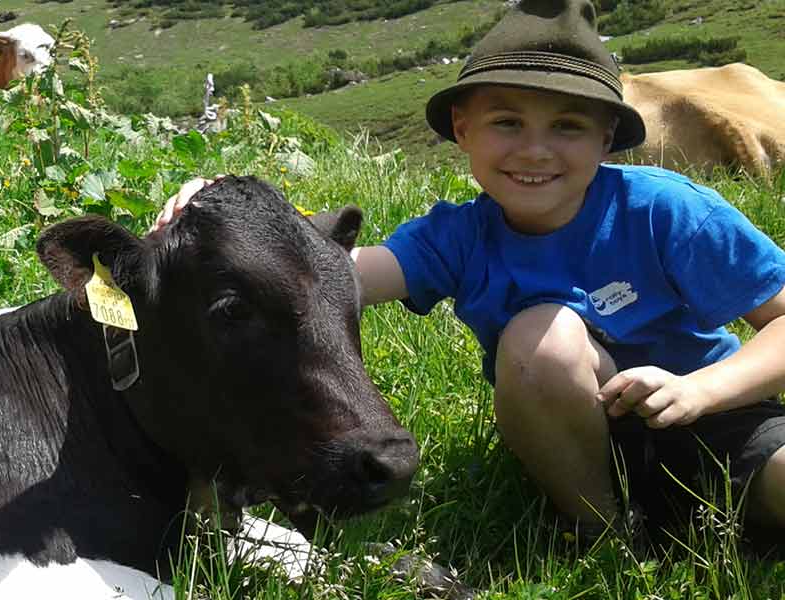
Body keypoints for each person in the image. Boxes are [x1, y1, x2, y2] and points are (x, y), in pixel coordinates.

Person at [153, 0, 785, 541]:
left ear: (606, 140)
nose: (535, 149)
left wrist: (703, 390)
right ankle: (602, 533)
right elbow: (321, 275)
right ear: (463, 130)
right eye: (506, 122)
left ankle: (685, 514)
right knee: (542, 336)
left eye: (567, 126)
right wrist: (223, 211)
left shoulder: (665, 209)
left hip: (714, 418)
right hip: (570, 451)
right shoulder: (456, 236)